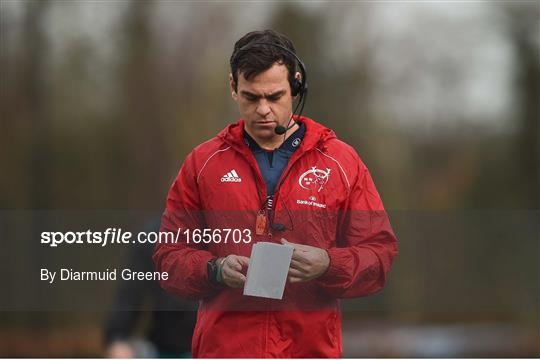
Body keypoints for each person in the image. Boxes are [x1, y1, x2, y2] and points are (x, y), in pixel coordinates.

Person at [153, 29, 398, 358]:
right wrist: (214, 269)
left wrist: (329, 264)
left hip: (310, 351)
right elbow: (168, 258)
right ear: (233, 87)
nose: (263, 110)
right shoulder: (202, 164)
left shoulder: (341, 162)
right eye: (251, 98)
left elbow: (379, 256)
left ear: (296, 86)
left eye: (275, 96)